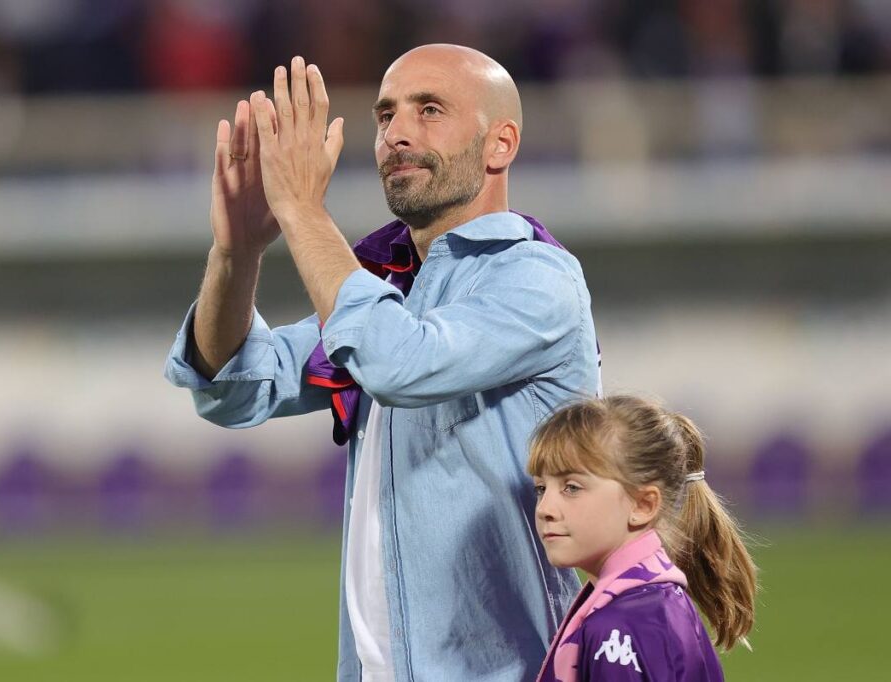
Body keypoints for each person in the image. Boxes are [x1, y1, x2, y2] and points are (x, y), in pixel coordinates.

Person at [164, 44, 601, 680]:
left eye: (430, 110)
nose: (397, 133)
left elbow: (397, 363)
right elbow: (233, 384)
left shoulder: (536, 278)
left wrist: (303, 211)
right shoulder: (390, 285)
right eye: (386, 114)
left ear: (499, 144)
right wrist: (237, 255)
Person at [527, 395, 757, 681]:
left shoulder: (616, 628)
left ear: (642, 505)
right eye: (541, 488)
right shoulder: (658, 600)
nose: (545, 509)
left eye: (571, 487)